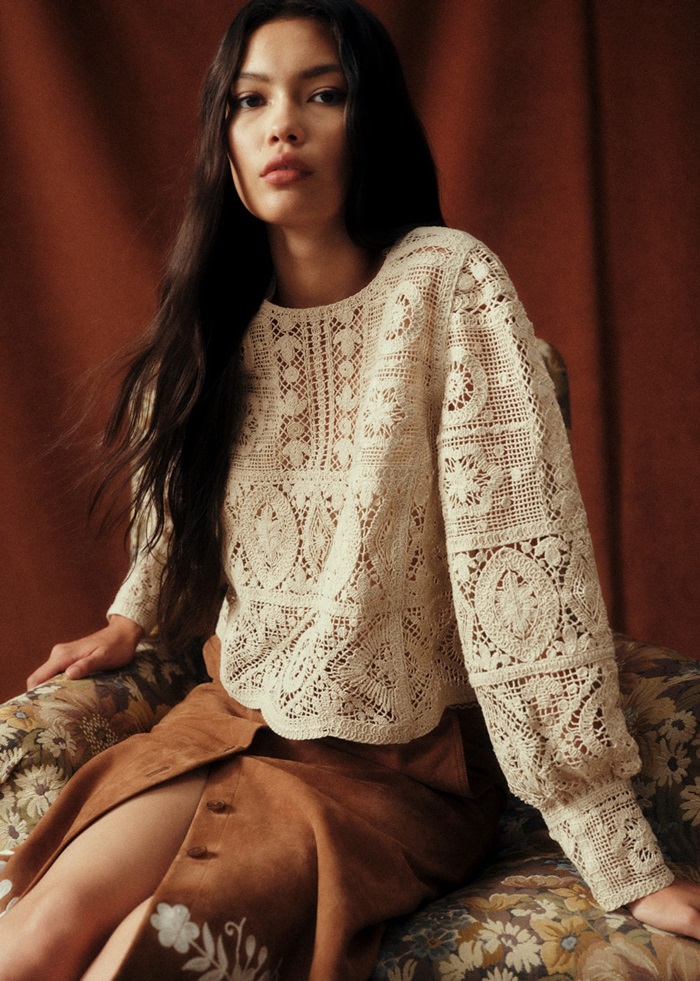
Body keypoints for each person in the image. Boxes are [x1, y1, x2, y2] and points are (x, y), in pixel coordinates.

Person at [0, 0, 699, 977]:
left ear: (370, 121)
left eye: (322, 94)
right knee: (33, 935)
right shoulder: (214, 323)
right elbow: (177, 496)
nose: (282, 125)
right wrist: (132, 615)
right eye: (250, 101)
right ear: (224, 140)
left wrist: (621, 857)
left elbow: (523, 587)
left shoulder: (448, 285)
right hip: (229, 722)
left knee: (145, 957)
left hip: (394, 773)